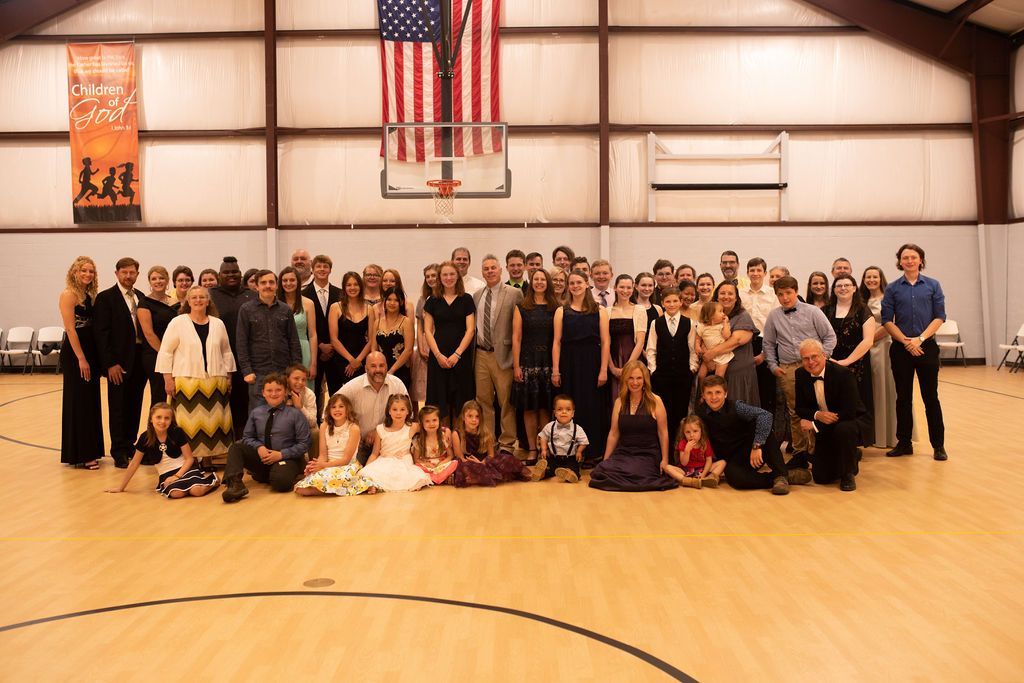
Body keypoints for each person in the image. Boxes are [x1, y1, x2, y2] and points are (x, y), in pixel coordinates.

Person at [880, 243, 948, 460]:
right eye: (905, 257)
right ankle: (904, 443)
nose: (909, 261)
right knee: (903, 398)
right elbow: (886, 320)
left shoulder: (933, 285)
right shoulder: (892, 288)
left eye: (913, 257)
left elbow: (940, 317)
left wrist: (920, 339)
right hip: (901, 349)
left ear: (921, 260)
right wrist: (906, 341)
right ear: (900, 262)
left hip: (926, 346)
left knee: (931, 398)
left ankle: (938, 445)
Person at [156, 286, 236, 467]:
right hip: (187, 382)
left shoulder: (218, 324)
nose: (198, 300)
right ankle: (189, 461)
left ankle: (208, 460)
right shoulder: (178, 322)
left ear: (208, 301)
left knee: (214, 424)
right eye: (194, 297)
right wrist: (167, 379)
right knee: (187, 425)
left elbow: (226, 352)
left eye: (202, 297)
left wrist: (229, 376)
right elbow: (166, 352)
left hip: (215, 381)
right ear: (188, 301)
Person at [763, 276, 837, 461]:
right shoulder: (773, 316)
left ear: (796, 291)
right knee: (795, 411)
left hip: (814, 366)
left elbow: (830, 337)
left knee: (819, 407)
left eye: (788, 293)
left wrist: (822, 359)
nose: (785, 298)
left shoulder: (813, 312)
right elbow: (768, 343)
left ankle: (820, 450)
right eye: (780, 294)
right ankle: (800, 451)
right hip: (788, 368)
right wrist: (773, 366)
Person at [695, 376, 811, 494]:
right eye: (709, 393)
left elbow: (765, 415)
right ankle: (783, 476)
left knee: (763, 426)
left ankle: (781, 475)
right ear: (703, 396)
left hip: (753, 451)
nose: (714, 397)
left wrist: (757, 445)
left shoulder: (737, 406)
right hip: (731, 459)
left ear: (725, 394)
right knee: (735, 479)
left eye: (718, 392)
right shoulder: (699, 413)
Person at [222, 373, 312, 502]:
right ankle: (235, 485)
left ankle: (273, 475)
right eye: (269, 390)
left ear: (285, 392)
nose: (273, 394)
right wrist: (259, 447)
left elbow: (305, 443)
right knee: (236, 447)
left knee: (281, 483)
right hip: (262, 457)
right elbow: (247, 437)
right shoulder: (256, 413)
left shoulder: (295, 414)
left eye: (278, 390)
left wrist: (281, 454)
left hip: (286, 458)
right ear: (263, 393)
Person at [588, 361, 677, 491]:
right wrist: (605, 459)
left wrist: (664, 460)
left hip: (648, 454)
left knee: (633, 471)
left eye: (639, 378)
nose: (635, 382)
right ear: (625, 379)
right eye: (631, 378)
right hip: (624, 452)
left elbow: (663, 433)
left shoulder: (656, 401)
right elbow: (614, 433)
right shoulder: (619, 402)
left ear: (645, 380)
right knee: (602, 470)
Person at [94, 256, 148, 468]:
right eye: (124, 272)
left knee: (135, 405)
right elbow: (101, 334)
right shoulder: (106, 298)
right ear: (117, 274)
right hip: (118, 362)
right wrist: (110, 364)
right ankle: (118, 450)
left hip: (139, 360)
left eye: (132, 272)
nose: (128, 276)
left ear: (137, 274)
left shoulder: (141, 297)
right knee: (118, 407)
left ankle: (129, 444)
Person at [552, 270, 610, 465]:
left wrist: (603, 369)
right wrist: (555, 370)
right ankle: (569, 452)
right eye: (572, 283)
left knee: (592, 407)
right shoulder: (561, 311)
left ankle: (593, 453)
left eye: (579, 282)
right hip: (569, 363)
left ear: (587, 284)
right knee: (570, 406)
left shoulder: (600, 311)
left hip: (592, 362)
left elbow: (605, 341)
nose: (575, 286)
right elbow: (557, 342)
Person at [105, 403, 219, 497]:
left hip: (185, 469)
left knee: (197, 491)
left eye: (167, 418)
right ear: (151, 419)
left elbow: (189, 459)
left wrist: (177, 476)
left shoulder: (177, 432)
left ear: (171, 420)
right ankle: (190, 487)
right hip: (166, 474)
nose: (162, 421)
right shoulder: (145, 437)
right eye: (158, 417)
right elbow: (134, 463)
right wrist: (121, 487)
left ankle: (213, 480)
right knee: (176, 493)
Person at [795, 339, 864, 491]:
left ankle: (848, 473)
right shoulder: (800, 374)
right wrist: (817, 415)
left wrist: (814, 424)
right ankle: (851, 454)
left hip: (847, 420)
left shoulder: (843, 374)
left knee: (844, 429)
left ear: (824, 355)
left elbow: (850, 411)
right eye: (806, 358)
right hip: (824, 425)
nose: (810, 362)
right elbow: (800, 408)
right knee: (822, 478)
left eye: (814, 356)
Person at [473, 255, 524, 453]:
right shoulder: (477, 295)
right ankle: (489, 441)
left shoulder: (514, 293)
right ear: (482, 272)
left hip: (503, 355)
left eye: (493, 268)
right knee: (483, 401)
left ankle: (507, 444)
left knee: (506, 402)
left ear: (501, 270)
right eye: (486, 269)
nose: (490, 271)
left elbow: (519, 327)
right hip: (481, 354)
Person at [58, 256, 104, 469]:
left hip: (90, 351)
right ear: (74, 272)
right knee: (79, 402)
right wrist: (81, 358)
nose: (87, 274)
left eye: (91, 271)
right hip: (76, 353)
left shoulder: (89, 295)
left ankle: (92, 449)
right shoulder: (68, 294)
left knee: (90, 401)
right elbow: (70, 329)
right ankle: (83, 453)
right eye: (83, 270)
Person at [237, 269, 302, 411]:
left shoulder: (285, 310)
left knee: (284, 415)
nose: (268, 286)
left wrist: (295, 370)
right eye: (263, 283)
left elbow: (293, 341)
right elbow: (241, 343)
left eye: (271, 282)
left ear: (277, 286)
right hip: (257, 373)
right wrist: (247, 370)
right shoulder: (246, 309)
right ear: (256, 286)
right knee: (259, 415)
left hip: (283, 371)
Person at [512, 268, 558, 462]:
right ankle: (532, 448)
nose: (539, 282)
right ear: (531, 283)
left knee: (545, 408)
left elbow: (558, 339)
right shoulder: (522, 306)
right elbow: (516, 338)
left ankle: (544, 448)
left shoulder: (556, 307)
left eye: (543, 279)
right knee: (529, 408)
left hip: (548, 362)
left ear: (548, 283)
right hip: (527, 362)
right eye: (536, 279)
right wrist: (516, 366)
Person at [823, 274, 875, 444]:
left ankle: (855, 442)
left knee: (856, 403)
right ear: (834, 290)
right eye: (839, 286)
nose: (843, 288)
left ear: (854, 288)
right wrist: (827, 358)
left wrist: (846, 362)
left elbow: (868, 341)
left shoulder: (863, 310)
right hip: (830, 363)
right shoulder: (826, 310)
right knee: (832, 401)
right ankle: (833, 441)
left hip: (857, 365)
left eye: (847, 285)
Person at [423, 261, 476, 426]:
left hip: (461, 356)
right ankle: (443, 438)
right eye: (445, 274)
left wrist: (457, 354)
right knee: (440, 400)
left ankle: (459, 438)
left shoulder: (466, 299)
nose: (448, 278)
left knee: (461, 401)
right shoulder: (432, 300)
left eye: (452, 274)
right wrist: (438, 355)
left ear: (458, 276)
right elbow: (427, 331)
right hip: (438, 356)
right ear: (439, 278)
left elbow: (470, 330)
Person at [209, 256, 255, 437]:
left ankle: (245, 440)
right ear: (219, 275)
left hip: (247, 359)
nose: (231, 275)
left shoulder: (251, 295)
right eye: (226, 272)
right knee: (223, 400)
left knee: (245, 401)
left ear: (240, 274)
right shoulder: (211, 296)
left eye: (234, 272)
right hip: (219, 358)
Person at [335, 351, 410, 463]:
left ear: (386, 367)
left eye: (381, 365)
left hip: (389, 444)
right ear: (366, 369)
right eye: (373, 366)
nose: (378, 370)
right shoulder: (353, 386)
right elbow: (332, 407)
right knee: (355, 471)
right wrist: (350, 431)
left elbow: (409, 415)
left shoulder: (397, 384)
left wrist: (380, 431)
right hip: (360, 444)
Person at [645, 286, 695, 446]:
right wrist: (653, 370)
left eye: (675, 301)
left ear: (680, 302)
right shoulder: (656, 323)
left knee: (681, 412)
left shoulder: (689, 323)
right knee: (663, 412)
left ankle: (679, 446)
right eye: (668, 301)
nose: (672, 304)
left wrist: (691, 368)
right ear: (663, 303)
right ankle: (664, 447)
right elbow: (651, 349)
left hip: (683, 375)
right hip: (661, 376)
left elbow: (692, 349)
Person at [293, 393, 371, 496]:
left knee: (313, 487)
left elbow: (346, 459)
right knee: (300, 489)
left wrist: (323, 466)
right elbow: (323, 455)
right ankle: (337, 487)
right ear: (329, 410)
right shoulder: (324, 426)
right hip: (328, 465)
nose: (337, 410)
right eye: (333, 407)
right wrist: (315, 467)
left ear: (347, 409)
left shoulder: (353, 428)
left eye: (341, 406)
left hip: (346, 466)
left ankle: (343, 486)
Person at [860, 265, 900, 448]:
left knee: (886, 388)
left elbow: (889, 323)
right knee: (872, 391)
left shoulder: (888, 298)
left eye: (874, 277)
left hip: (883, 346)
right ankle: (873, 434)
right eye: (868, 277)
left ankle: (889, 435)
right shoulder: (861, 300)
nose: (871, 280)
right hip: (865, 348)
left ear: (881, 278)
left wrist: (870, 339)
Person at [359, 394, 432, 492]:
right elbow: (374, 453)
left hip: (403, 461)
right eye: (394, 409)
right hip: (385, 460)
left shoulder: (412, 427)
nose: (398, 413)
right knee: (372, 473)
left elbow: (428, 426)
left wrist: (445, 431)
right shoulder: (380, 429)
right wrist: (366, 469)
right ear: (389, 411)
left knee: (409, 476)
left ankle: (408, 484)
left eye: (402, 409)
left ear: (408, 412)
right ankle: (373, 485)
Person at [451, 399, 531, 487]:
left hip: (485, 462)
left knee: (508, 459)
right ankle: (487, 477)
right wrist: (475, 464)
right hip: (468, 463)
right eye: (470, 416)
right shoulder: (456, 434)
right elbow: (460, 458)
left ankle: (481, 477)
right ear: (463, 417)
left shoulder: (485, 432)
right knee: (464, 467)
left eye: (477, 416)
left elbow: (491, 455)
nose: (474, 420)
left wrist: (482, 463)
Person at [707, 282, 760, 407]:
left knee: (739, 410)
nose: (726, 296)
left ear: (736, 298)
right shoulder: (710, 317)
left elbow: (736, 341)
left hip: (739, 375)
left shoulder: (743, 316)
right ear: (716, 296)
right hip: (717, 373)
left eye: (730, 294)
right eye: (722, 293)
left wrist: (711, 353)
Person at [302, 254, 343, 417]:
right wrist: (320, 346)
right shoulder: (304, 294)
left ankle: (336, 422)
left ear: (330, 270)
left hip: (336, 351)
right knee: (313, 392)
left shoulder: (340, 293)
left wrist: (332, 346)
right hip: (313, 351)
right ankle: (315, 422)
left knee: (337, 392)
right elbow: (304, 325)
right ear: (312, 269)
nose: (322, 269)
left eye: (325, 266)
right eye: (318, 266)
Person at [742, 257, 780, 420]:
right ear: (747, 273)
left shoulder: (773, 294)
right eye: (752, 270)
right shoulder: (740, 294)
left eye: (759, 270)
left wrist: (765, 354)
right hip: (744, 344)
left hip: (766, 344)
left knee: (766, 391)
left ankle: (767, 431)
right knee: (746, 390)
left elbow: (777, 325)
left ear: (765, 273)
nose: (755, 273)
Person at [137, 265, 178, 408]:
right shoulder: (144, 303)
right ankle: (156, 423)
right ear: (149, 282)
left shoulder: (175, 303)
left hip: (175, 355)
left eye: (161, 278)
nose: (158, 281)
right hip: (155, 355)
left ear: (167, 280)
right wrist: (165, 356)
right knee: (160, 394)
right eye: (154, 279)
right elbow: (149, 334)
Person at [328, 271, 375, 390]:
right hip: (340, 359)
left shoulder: (369, 309)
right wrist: (351, 360)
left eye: (355, 284)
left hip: (362, 358)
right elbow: (334, 339)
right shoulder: (335, 307)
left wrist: (358, 360)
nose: (352, 288)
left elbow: (371, 339)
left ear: (361, 286)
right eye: (349, 285)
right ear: (344, 287)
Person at [608, 274, 648, 398]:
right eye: (622, 287)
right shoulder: (606, 311)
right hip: (613, 360)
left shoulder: (639, 310)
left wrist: (628, 367)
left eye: (628, 287)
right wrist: (612, 367)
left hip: (634, 359)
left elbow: (640, 342)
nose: (625, 291)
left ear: (633, 289)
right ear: (615, 288)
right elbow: (604, 341)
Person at [278, 266, 317, 391]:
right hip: (281, 350)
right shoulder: (275, 303)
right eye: (285, 280)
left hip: (303, 350)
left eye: (292, 280)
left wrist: (313, 363)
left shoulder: (308, 303)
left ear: (298, 282)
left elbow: (312, 334)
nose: (288, 283)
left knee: (304, 389)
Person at [536, 394, 589, 483]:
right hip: (553, 457)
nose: (564, 412)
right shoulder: (549, 426)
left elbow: (584, 442)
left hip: (570, 459)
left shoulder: (577, 428)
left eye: (568, 409)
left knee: (574, 468)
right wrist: (544, 449)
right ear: (555, 413)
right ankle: (542, 473)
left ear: (573, 413)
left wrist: (579, 451)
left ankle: (570, 473)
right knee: (549, 467)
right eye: (560, 409)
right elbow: (543, 437)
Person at [663, 415, 723, 489]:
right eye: (688, 432)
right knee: (667, 467)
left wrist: (703, 474)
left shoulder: (705, 442)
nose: (691, 435)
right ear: (684, 433)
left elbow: (709, 460)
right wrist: (687, 450)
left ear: (701, 431)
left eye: (695, 431)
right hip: (686, 471)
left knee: (722, 463)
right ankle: (687, 481)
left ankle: (708, 479)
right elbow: (683, 463)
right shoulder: (683, 443)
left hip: (702, 469)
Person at [374, 287, 414, 391]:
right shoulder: (377, 322)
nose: (392, 303)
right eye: (389, 299)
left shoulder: (406, 322)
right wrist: (377, 368)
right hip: (379, 371)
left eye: (396, 300)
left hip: (400, 370)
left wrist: (392, 370)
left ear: (401, 302)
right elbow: (374, 349)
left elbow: (408, 350)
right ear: (384, 301)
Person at [410, 405, 459, 484]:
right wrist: (427, 464)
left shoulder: (444, 437)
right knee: (417, 467)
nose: (431, 423)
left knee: (454, 463)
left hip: (441, 465)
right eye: (427, 421)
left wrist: (441, 463)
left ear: (439, 421)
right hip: (427, 466)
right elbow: (416, 459)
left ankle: (434, 479)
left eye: (434, 420)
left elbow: (450, 455)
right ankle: (439, 479)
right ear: (422, 423)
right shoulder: (419, 440)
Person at [412, 263, 439, 404]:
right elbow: (419, 325)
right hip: (424, 345)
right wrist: (421, 347)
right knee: (422, 388)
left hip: (440, 343)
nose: (430, 279)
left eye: (433, 275)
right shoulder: (422, 299)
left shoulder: (445, 297)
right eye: (427, 276)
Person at [284, 364, 319, 460]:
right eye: (296, 378)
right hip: (286, 429)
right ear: (287, 379)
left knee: (315, 433)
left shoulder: (309, 394)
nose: (300, 382)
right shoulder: (281, 391)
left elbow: (313, 422)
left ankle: (314, 462)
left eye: (303, 380)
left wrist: (300, 407)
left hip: (303, 428)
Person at [695, 301, 733, 379]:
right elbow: (698, 339)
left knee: (718, 376)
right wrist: (697, 346)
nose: (723, 314)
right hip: (708, 354)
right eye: (720, 311)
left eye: (723, 311)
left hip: (722, 356)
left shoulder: (722, 325)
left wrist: (725, 323)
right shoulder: (702, 326)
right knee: (701, 375)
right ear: (711, 315)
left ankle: (719, 386)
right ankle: (702, 387)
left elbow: (727, 336)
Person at [631, 271, 663, 357]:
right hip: (634, 353)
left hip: (654, 353)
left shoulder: (658, 309)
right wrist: (643, 353)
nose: (647, 288)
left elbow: (660, 335)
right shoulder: (631, 308)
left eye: (650, 285)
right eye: (643, 285)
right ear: (636, 286)